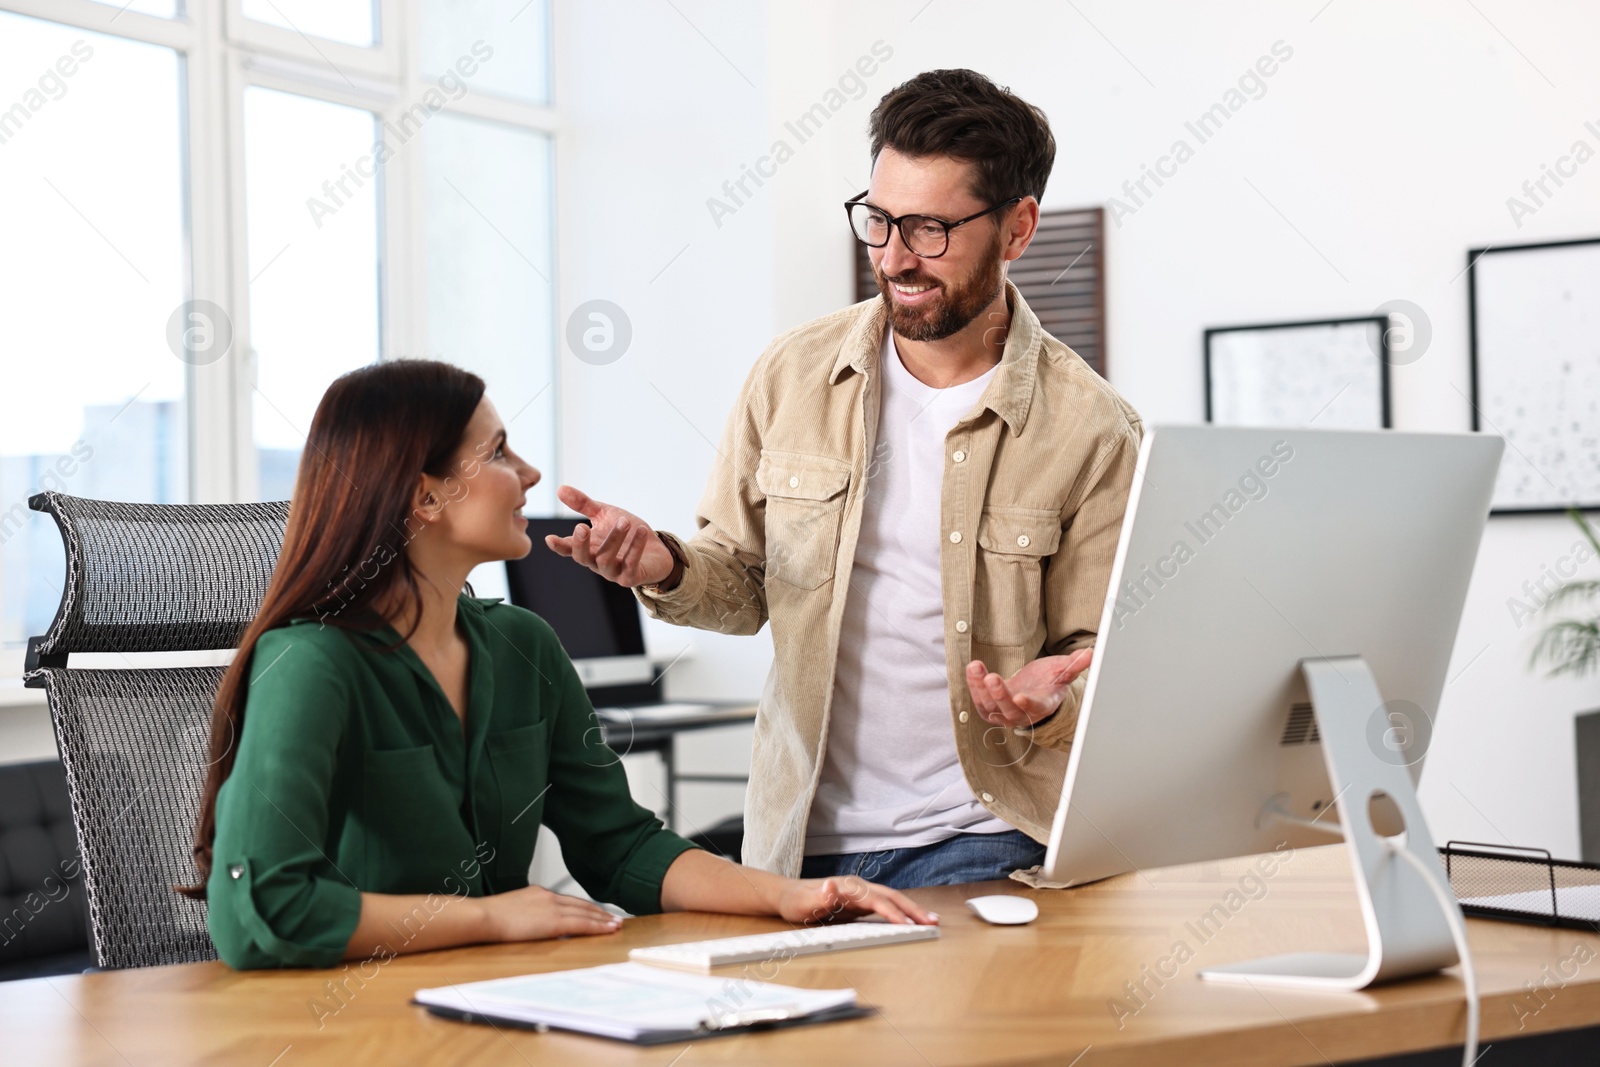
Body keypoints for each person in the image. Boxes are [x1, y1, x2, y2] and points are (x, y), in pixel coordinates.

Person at [548, 69, 1145, 890]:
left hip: (983, 833)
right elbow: (744, 581)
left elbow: (1102, 656)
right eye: (880, 220)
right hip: (797, 839)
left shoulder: (1092, 427)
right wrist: (663, 564)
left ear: (1018, 229)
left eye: (931, 229)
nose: (895, 257)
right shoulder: (791, 375)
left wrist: (1054, 699)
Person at [180, 359, 935, 970]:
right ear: (425, 495)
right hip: (346, 1027)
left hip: (492, 1000)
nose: (532, 472)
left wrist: (783, 897)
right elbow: (261, 911)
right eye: (500, 451)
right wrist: (487, 918)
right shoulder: (312, 664)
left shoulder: (522, 646)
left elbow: (620, 846)